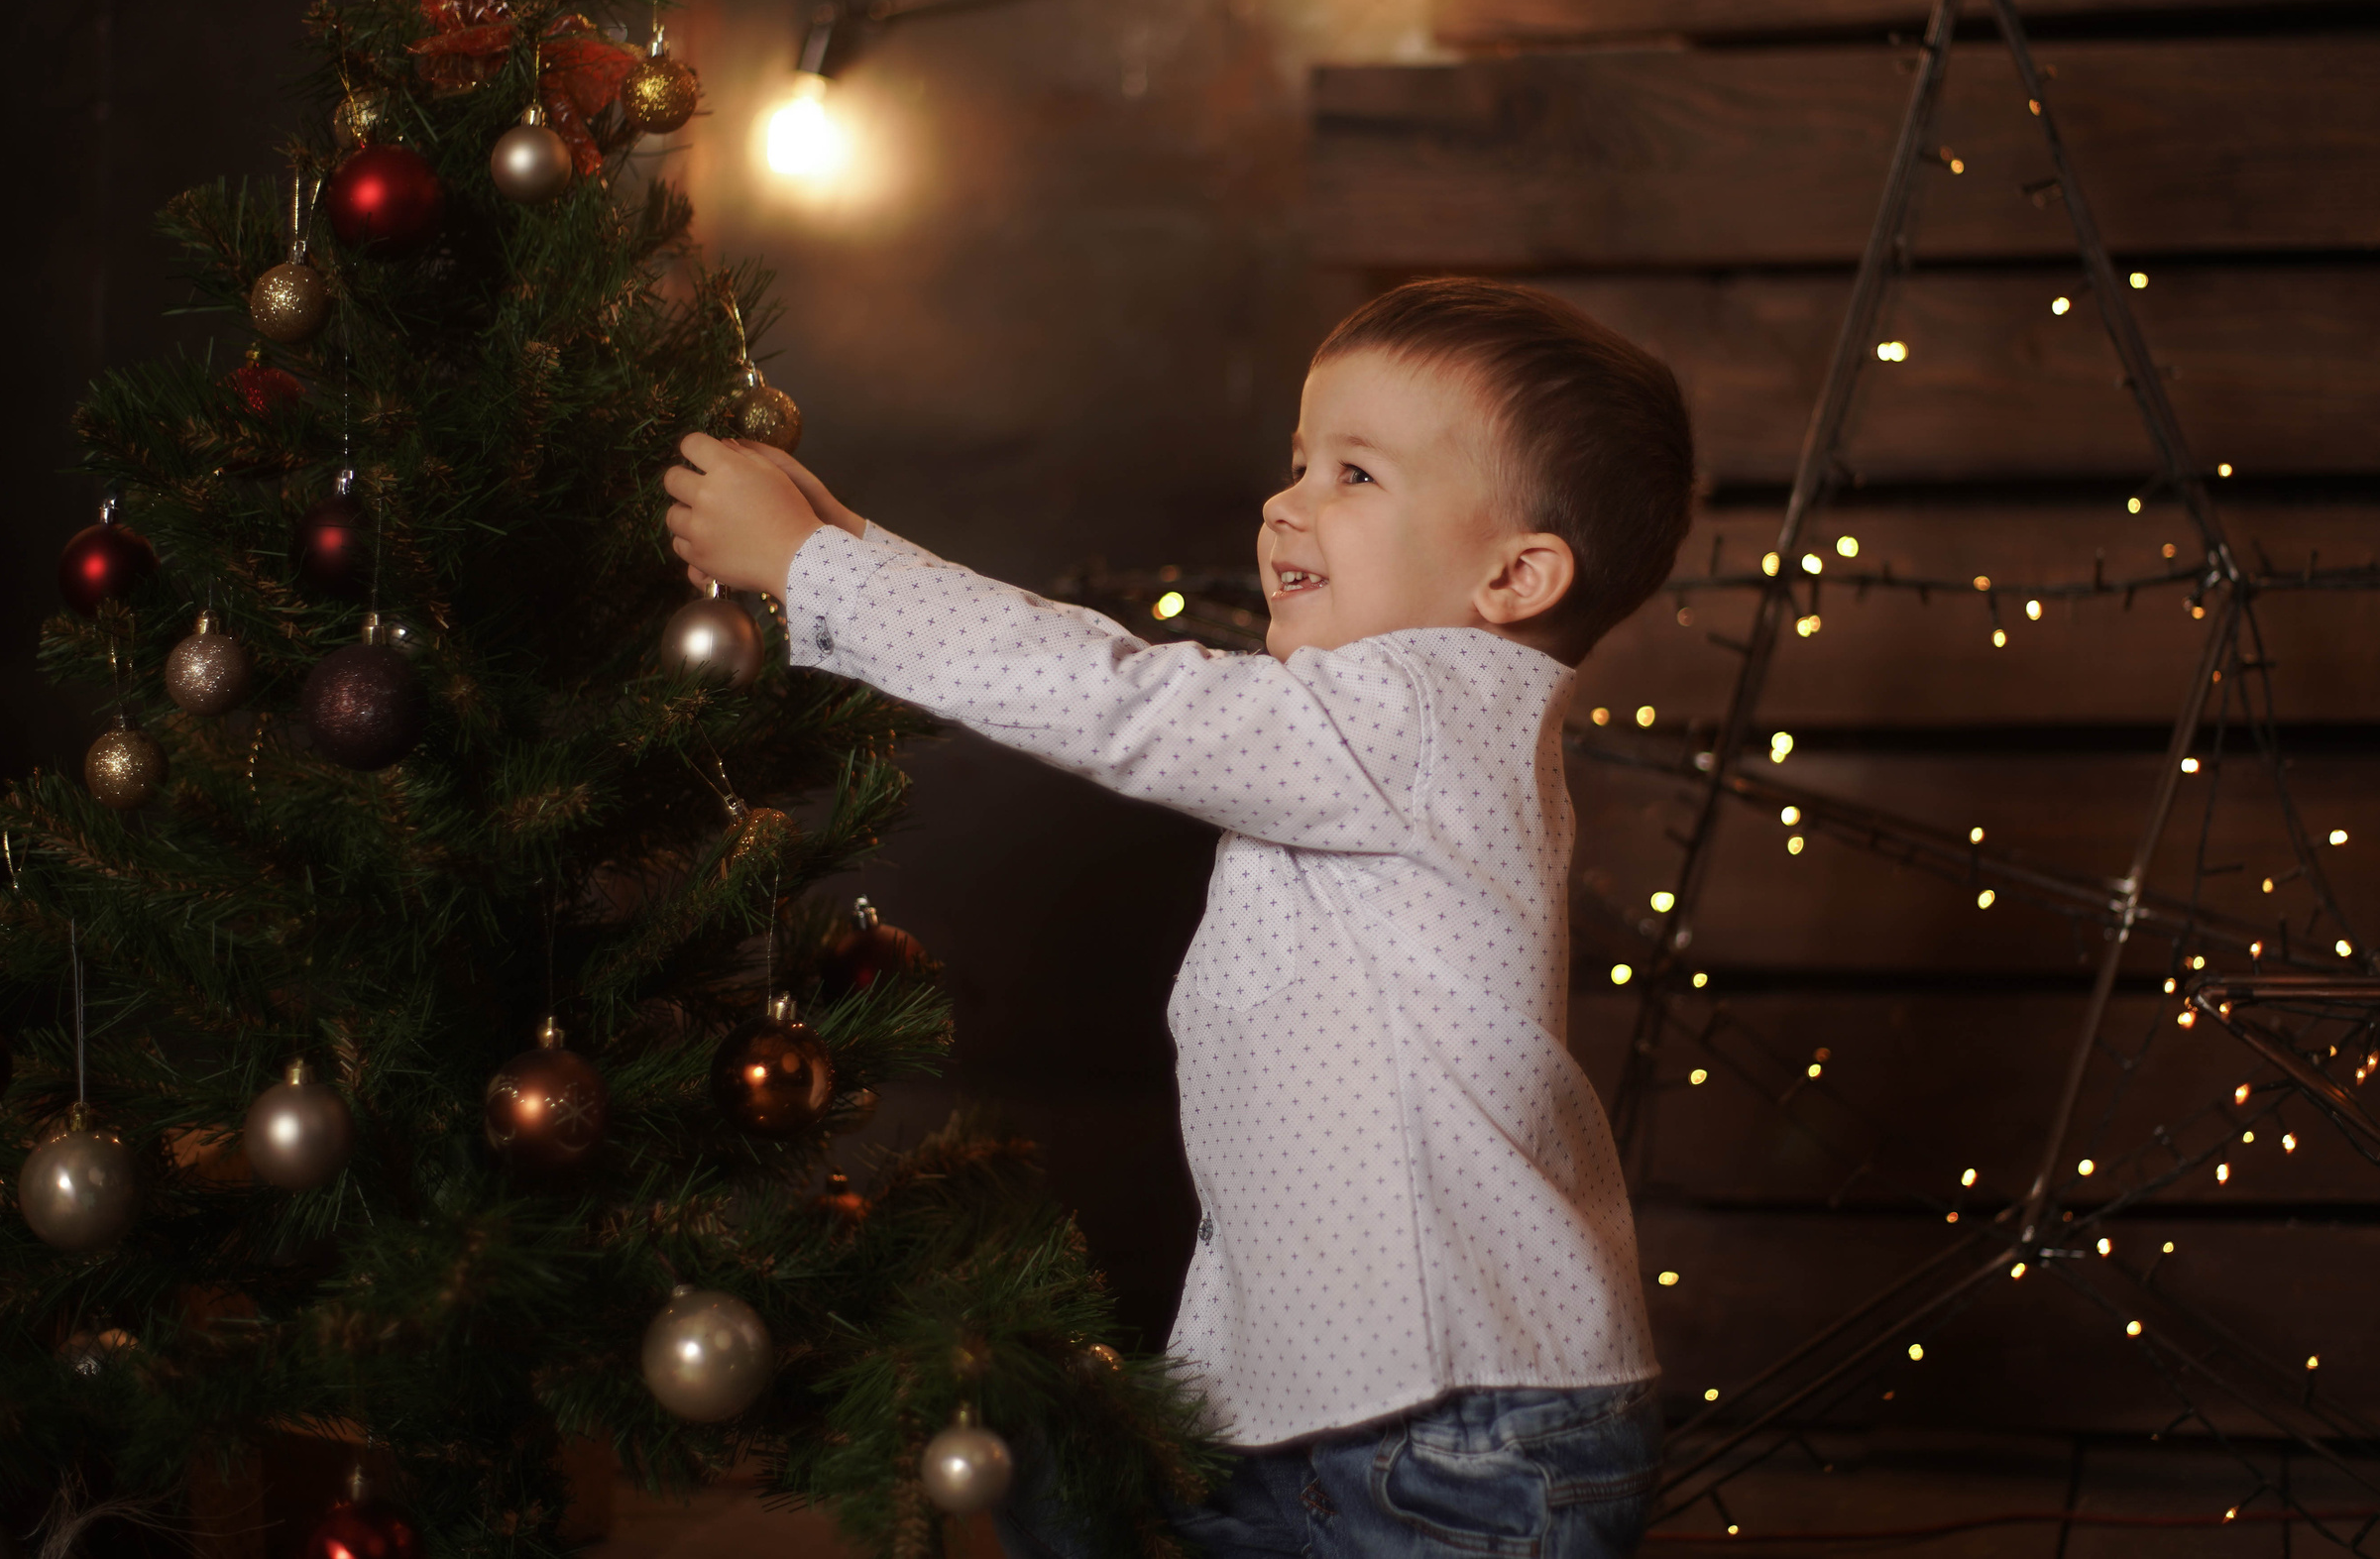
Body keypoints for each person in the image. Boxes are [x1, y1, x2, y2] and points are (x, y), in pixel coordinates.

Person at [663, 277, 1696, 1559]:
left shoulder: (1427, 715)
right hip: (1331, 1414)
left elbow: (1123, 705)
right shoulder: (1369, 731)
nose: (1285, 503)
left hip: (1455, 1429)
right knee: (1054, 1437)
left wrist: (819, 572)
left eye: (1355, 475)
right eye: (1298, 461)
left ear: (1516, 575)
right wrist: (852, 552)